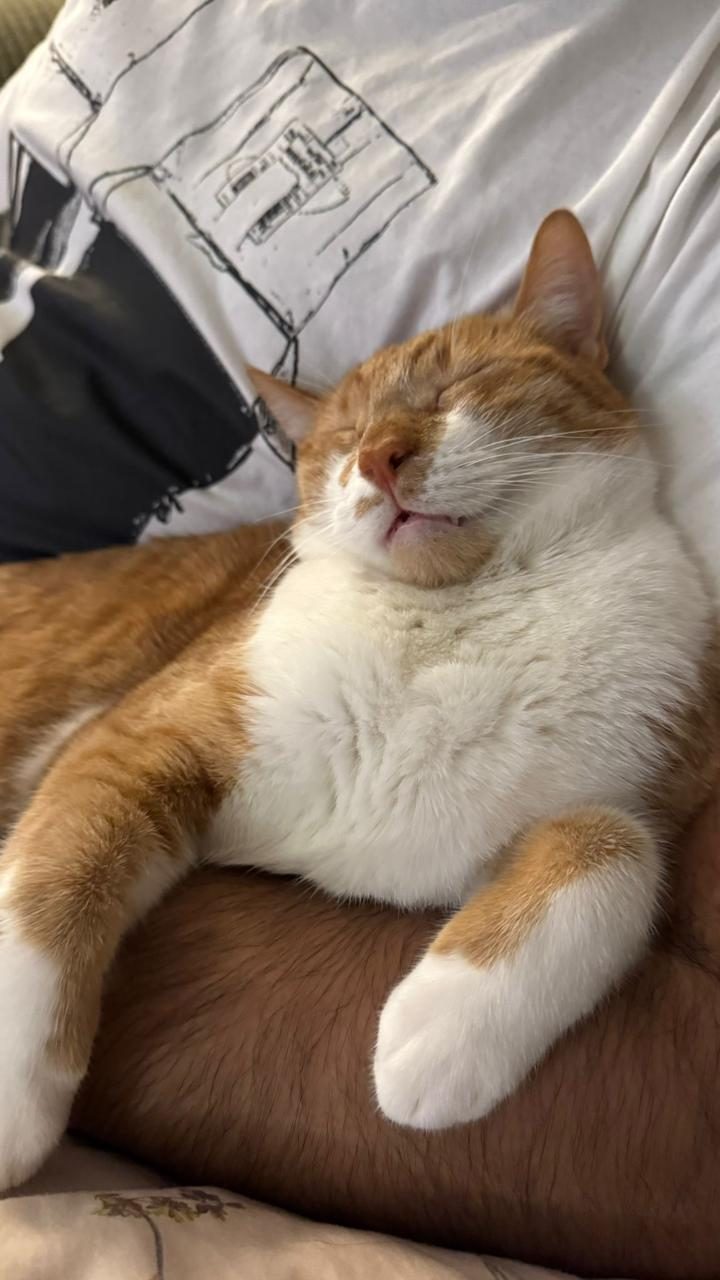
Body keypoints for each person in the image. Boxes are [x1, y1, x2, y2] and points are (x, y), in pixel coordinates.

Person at [1, 2, 719, 1275]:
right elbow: (126, 768)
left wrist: (591, 867)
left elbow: (617, 841)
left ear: (576, 349)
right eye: (335, 443)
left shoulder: (649, 629)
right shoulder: (315, 604)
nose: (378, 452)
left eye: (454, 393)